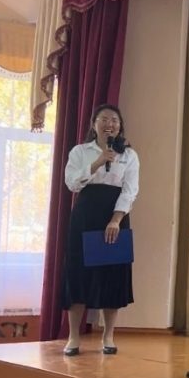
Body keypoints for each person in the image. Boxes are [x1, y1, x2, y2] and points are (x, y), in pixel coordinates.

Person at [62, 105, 139, 356]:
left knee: (112, 275)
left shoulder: (129, 155)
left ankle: (108, 336)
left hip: (115, 216)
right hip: (85, 215)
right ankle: (74, 337)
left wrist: (116, 220)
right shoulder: (80, 152)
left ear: (120, 125)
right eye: (104, 119)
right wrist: (98, 162)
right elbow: (72, 184)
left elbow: (130, 190)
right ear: (94, 124)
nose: (110, 123)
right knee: (78, 273)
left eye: (115, 120)